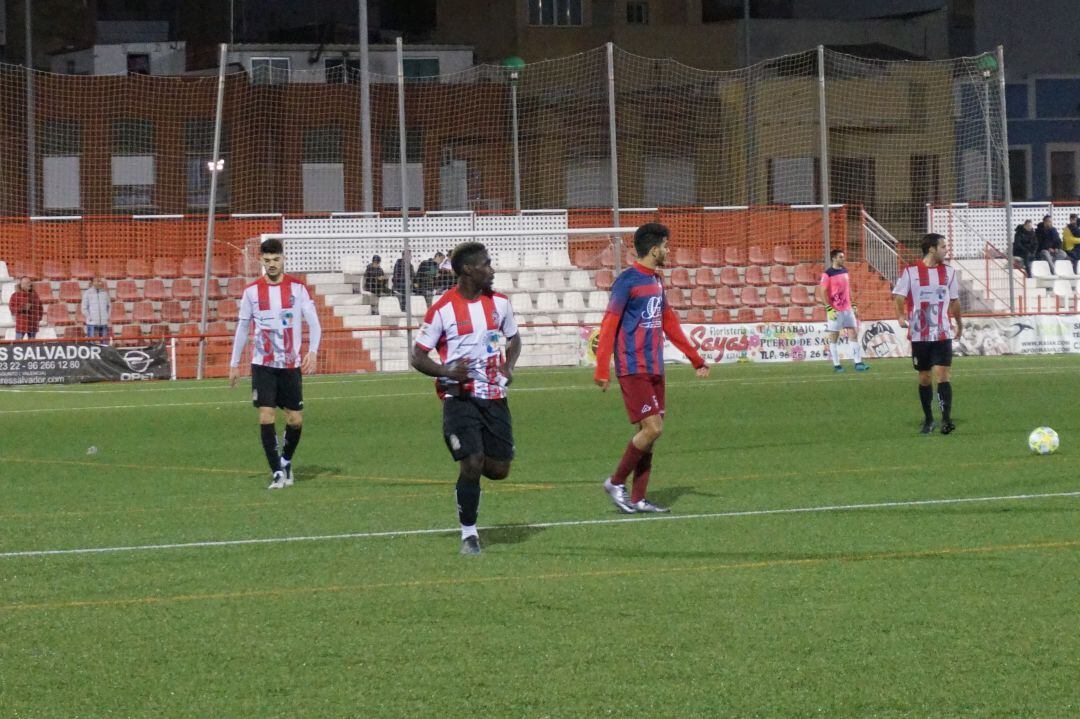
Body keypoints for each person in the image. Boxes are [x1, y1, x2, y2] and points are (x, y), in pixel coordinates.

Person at [409, 242, 521, 556]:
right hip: (458, 397)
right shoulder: (443, 309)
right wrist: (446, 371)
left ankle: (477, 454)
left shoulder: (500, 304)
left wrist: (508, 366)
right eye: (487, 263)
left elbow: (514, 339)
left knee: (499, 469)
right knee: (471, 463)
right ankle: (469, 534)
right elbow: (417, 357)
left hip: (494, 395)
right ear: (469, 270)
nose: (492, 268)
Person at [594, 223, 710, 514]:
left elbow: (669, 322)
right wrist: (602, 369)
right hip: (633, 366)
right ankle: (615, 481)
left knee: (650, 434)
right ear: (654, 248)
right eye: (666, 246)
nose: (669, 251)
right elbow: (609, 325)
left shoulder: (656, 281)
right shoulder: (627, 281)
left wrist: (695, 358)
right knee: (653, 428)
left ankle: (638, 498)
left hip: (655, 365)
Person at [229, 238, 322, 489]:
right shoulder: (251, 292)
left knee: (295, 420)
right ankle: (277, 473)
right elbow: (242, 327)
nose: (272, 264)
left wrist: (312, 351)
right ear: (261, 260)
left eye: (276, 259)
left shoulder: (298, 289)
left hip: (290, 365)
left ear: (283, 259)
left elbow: (314, 323)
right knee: (265, 415)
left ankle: (286, 459)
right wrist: (234, 363)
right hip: (263, 364)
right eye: (267, 260)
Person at [892, 233, 963, 435]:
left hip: (942, 333)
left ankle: (946, 420)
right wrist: (900, 316)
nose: (946, 250)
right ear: (931, 248)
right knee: (924, 377)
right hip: (919, 335)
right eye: (943, 246)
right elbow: (898, 296)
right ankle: (929, 419)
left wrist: (959, 323)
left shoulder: (949, 272)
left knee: (943, 375)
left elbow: (955, 301)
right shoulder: (911, 271)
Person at [815, 249, 870, 373]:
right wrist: (828, 308)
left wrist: (854, 304)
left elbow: (848, 288)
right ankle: (837, 365)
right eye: (841, 257)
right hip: (835, 310)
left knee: (853, 334)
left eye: (843, 257)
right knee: (834, 337)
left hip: (848, 309)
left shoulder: (845, 271)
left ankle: (858, 362)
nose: (843, 259)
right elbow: (822, 291)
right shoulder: (827, 274)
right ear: (834, 258)